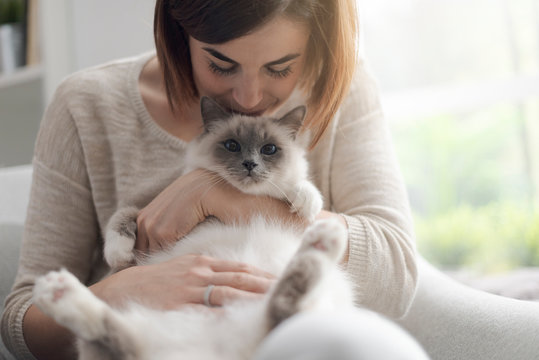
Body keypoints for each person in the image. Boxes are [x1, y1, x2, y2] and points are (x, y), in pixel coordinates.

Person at [1, 1, 425, 359]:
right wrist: (121, 291)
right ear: (178, 30)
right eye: (221, 65)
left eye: (280, 68)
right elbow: (20, 319)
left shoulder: (342, 90)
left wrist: (219, 196)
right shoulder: (86, 104)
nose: (249, 97)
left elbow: (398, 272)